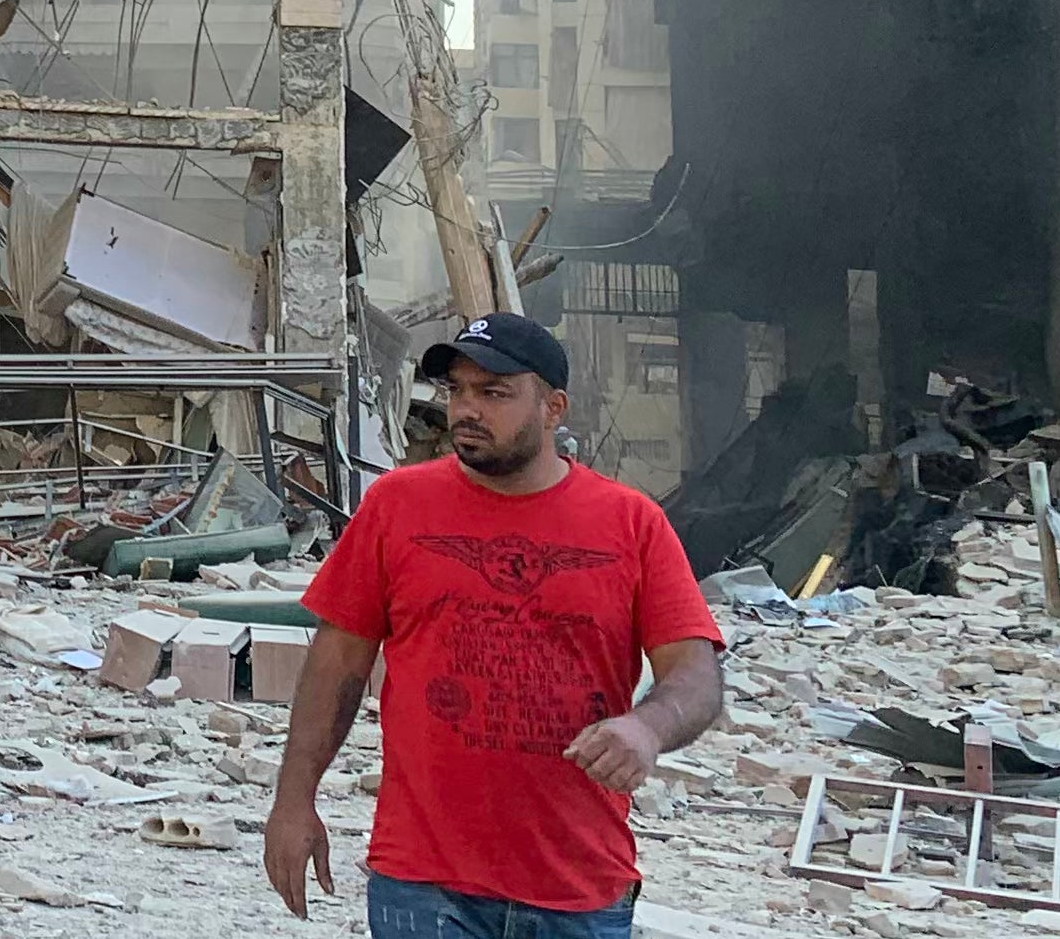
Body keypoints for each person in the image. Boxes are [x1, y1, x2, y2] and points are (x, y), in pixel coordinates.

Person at [263, 311, 724, 937]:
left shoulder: (630, 524)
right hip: (424, 882)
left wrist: (647, 727)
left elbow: (695, 671)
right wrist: (294, 801)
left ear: (553, 408)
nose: (465, 410)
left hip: (578, 886)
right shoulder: (397, 507)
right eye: (457, 390)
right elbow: (337, 662)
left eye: (494, 392)